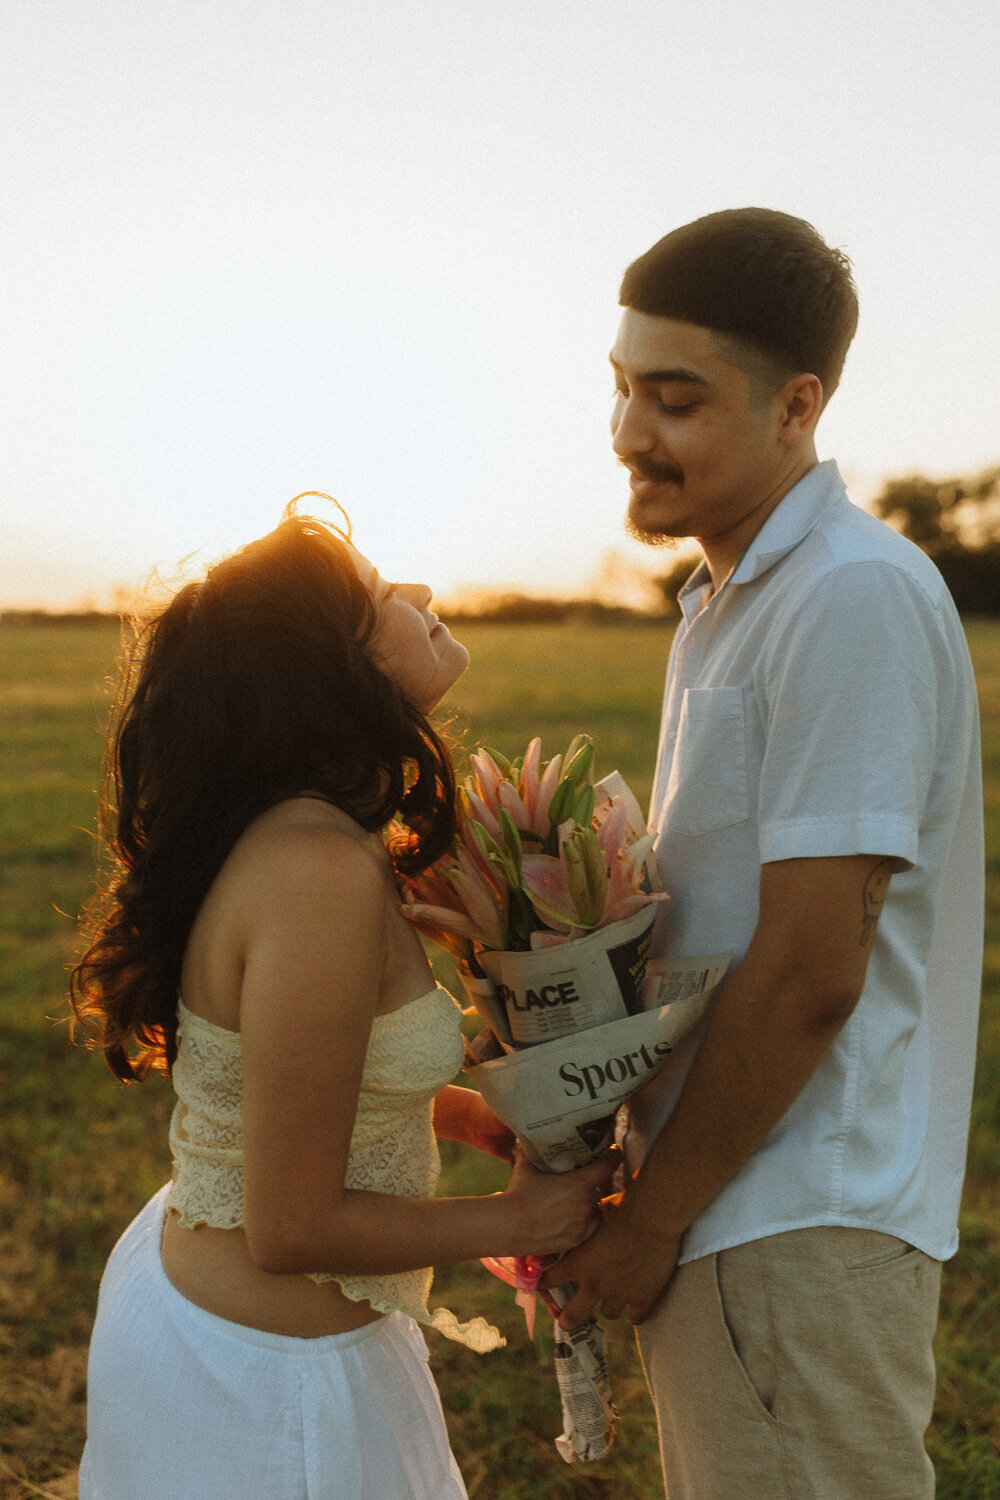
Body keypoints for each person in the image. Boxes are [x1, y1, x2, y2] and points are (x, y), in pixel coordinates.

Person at [543, 209, 984, 1499]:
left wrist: (655, 1219)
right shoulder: (732, 597)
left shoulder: (848, 593)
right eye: (622, 387)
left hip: (790, 1213)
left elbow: (808, 970)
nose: (627, 430)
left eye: (675, 400)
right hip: (731, 1200)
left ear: (797, 405)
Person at [71, 503, 616, 1500]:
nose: (422, 592)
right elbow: (292, 1229)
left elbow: (281, 1071)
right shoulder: (315, 868)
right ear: (328, 668)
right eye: (381, 594)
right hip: (263, 1382)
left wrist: (457, 1115)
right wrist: (525, 1220)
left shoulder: (310, 833)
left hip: (234, 1318)